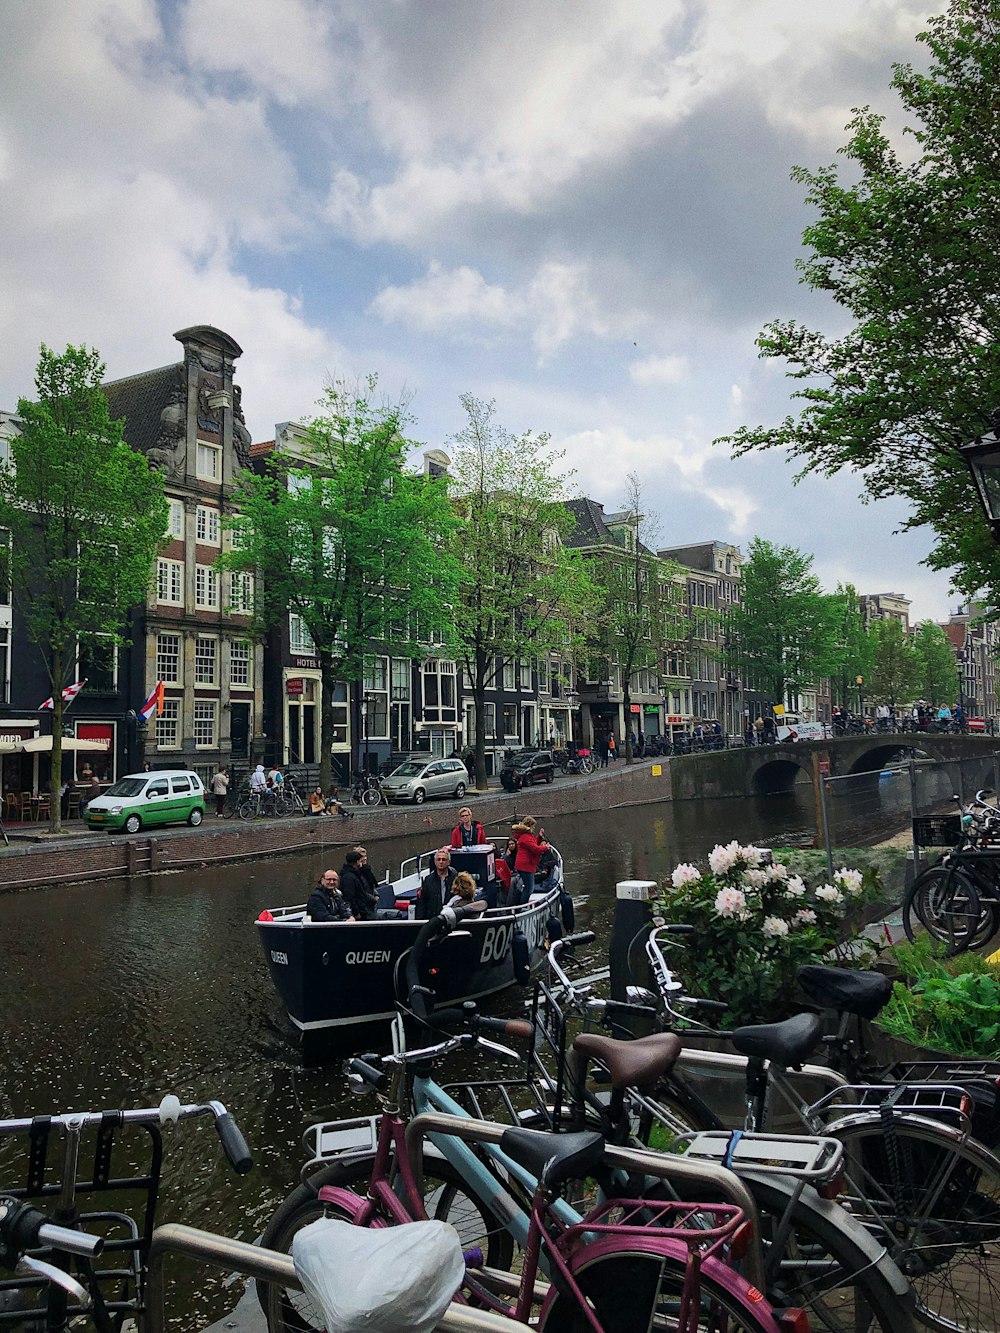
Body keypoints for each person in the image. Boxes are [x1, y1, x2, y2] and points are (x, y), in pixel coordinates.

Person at [512, 816, 548, 902]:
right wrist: (545, 847)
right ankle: (523, 907)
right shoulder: (526, 837)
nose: (534, 828)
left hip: (523, 865)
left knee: (527, 887)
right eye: (533, 826)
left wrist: (539, 837)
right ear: (530, 826)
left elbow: (533, 843)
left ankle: (521, 904)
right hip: (526, 866)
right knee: (529, 889)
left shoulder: (525, 836)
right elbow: (536, 849)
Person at [416, 848, 457, 919]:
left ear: (449, 862)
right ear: (435, 862)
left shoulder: (456, 879)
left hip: (451, 918)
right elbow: (422, 902)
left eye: (444, 859)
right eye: (439, 859)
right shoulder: (428, 880)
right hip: (433, 918)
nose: (441, 862)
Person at [340, 849, 377, 920]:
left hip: (363, 909)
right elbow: (349, 897)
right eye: (360, 860)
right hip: (360, 912)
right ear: (357, 862)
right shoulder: (350, 877)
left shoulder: (354, 874)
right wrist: (356, 912)